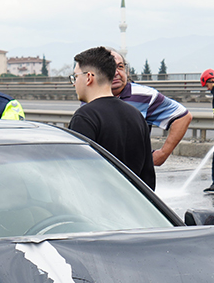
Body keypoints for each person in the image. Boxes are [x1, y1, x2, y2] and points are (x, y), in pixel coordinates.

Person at [67, 46, 156, 189]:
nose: (74, 83)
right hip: (134, 205)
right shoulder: (136, 115)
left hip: (101, 206)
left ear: (89, 77)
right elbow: (148, 176)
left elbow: (78, 174)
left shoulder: (85, 117)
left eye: (76, 77)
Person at [108, 48, 192, 166]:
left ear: (127, 70)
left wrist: (163, 154)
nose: (116, 72)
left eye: (120, 67)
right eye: (110, 67)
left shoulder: (144, 96)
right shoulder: (91, 97)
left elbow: (183, 116)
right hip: (102, 173)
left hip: (134, 175)